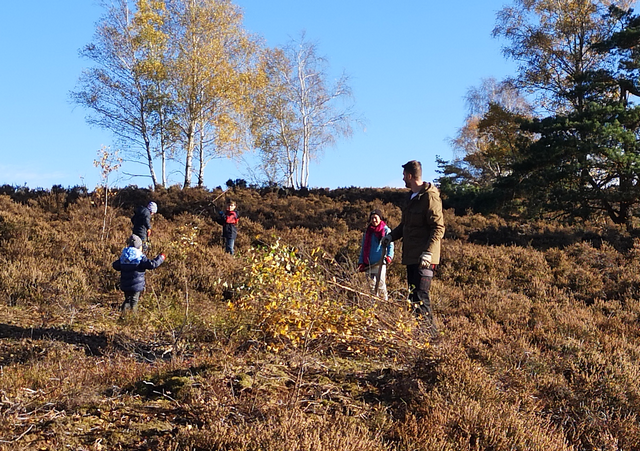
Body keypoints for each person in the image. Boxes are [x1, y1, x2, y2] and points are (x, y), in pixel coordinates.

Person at [381, 160, 445, 330]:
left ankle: (431, 339)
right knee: (413, 298)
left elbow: (438, 227)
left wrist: (428, 253)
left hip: (424, 259)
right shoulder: (411, 198)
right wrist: (390, 237)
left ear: (410, 176)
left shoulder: (430, 197)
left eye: (404, 175)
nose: (402, 179)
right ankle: (420, 336)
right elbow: (405, 226)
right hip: (411, 257)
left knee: (421, 296)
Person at [112, 234, 166, 312]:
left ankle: (123, 315)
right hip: (136, 286)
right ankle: (132, 319)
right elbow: (152, 264)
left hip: (125, 284)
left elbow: (115, 265)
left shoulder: (124, 257)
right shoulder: (140, 258)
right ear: (139, 247)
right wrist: (161, 257)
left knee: (127, 299)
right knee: (134, 301)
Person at [358, 209, 394, 300]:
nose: (374, 220)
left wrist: (389, 256)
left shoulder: (386, 230)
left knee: (381, 284)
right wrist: (361, 262)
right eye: (372, 218)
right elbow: (363, 247)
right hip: (368, 263)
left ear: (380, 218)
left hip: (380, 262)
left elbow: (390, 245)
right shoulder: (368, 232)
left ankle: (384, 303)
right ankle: (373, 305)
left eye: (375, 218)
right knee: (371, 286)